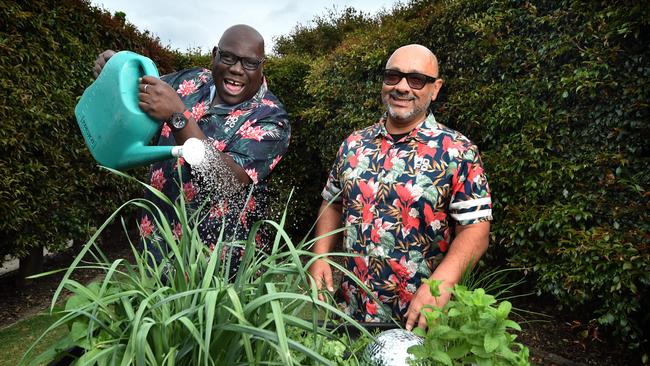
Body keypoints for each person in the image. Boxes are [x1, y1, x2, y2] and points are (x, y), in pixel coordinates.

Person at [308, 44, 491, 331]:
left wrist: (442, 283)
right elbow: (332, 202)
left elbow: (476, 228)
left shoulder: (457, 151)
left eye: (416, 79)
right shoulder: (353, 145)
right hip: (349, 311)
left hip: (419, 318)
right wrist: (319, 255)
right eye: (393, 76)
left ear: (436, 88)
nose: (402, 87)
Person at [93, 24, 291, 274]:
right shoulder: (191, 81)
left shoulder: (272, 119)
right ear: (214, 55)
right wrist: (114, 68)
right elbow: (140, 90)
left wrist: (178, 116)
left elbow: (223, 181)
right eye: (228, 57)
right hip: (156, 249)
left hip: (216, 274)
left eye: (249, 63)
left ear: (262, 66)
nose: (236, 69)